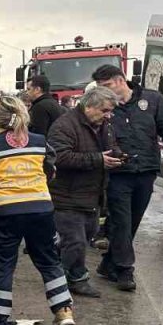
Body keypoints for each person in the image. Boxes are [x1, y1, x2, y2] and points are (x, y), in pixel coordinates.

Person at [0, 97, 76, 325]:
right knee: (49, 260)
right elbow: (50, 171)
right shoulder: (40, 142)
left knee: (3, 265)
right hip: (40, 209)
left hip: (5, 212)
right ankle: (63, 311)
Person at [93, 64, 163, 291]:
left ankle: (108, 263)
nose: (105, 91)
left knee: (133, 220)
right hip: (118, 173)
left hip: (146, 170)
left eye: (107, 86)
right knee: (122, 220)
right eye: (100, 87)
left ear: (120, 80)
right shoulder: (104, 107)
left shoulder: (152, 100)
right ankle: (125, 270)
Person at [48, 85, 121, 297]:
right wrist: (99, 160)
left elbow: (109, 146)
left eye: (110, 111)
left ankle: (62, 269)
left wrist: (116, 155)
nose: (109, 115)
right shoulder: (64, 125)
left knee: (85, 237)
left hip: (92, 194)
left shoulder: (103, 125)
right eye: (105, 110)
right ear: (89, 106)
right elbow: (59, 157)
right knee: (76, 242)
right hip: (66, 195)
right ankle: (63, 281)